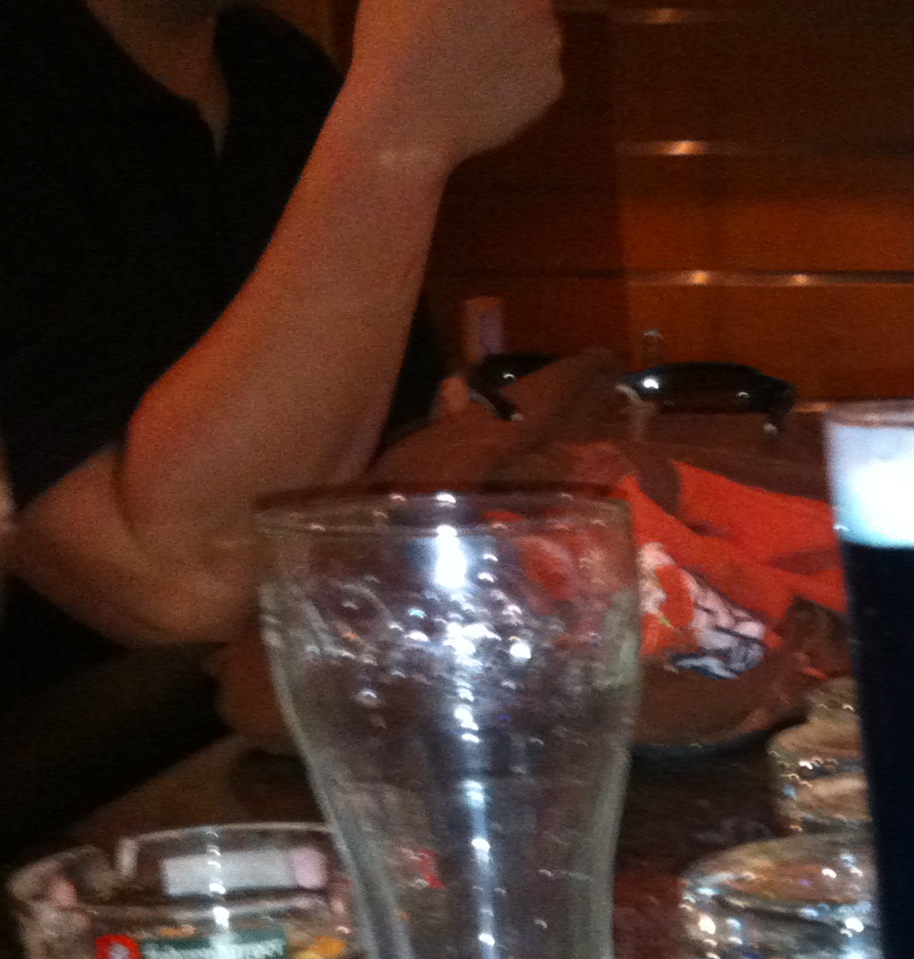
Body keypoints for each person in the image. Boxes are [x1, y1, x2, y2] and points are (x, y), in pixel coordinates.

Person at [0, 0, 562, 720]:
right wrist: (403, 125)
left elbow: (392, 469)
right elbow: (179, 585)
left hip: (316, 734)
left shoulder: (274, 70)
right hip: (80, 773)